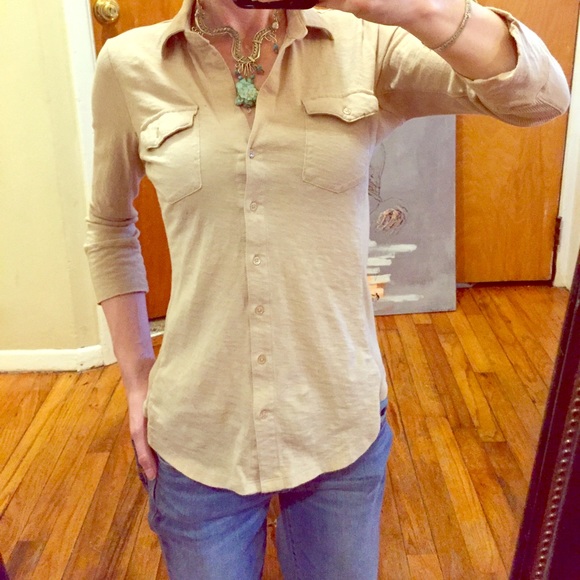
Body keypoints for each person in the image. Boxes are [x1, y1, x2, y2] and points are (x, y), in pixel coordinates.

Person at [85, 0, 570, 577]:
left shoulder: (365, 42)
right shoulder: (130, 64)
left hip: (337, 421)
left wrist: (411, 7)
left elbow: (540, 98)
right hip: (200, 428)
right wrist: (137, 376)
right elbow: (109, 226)